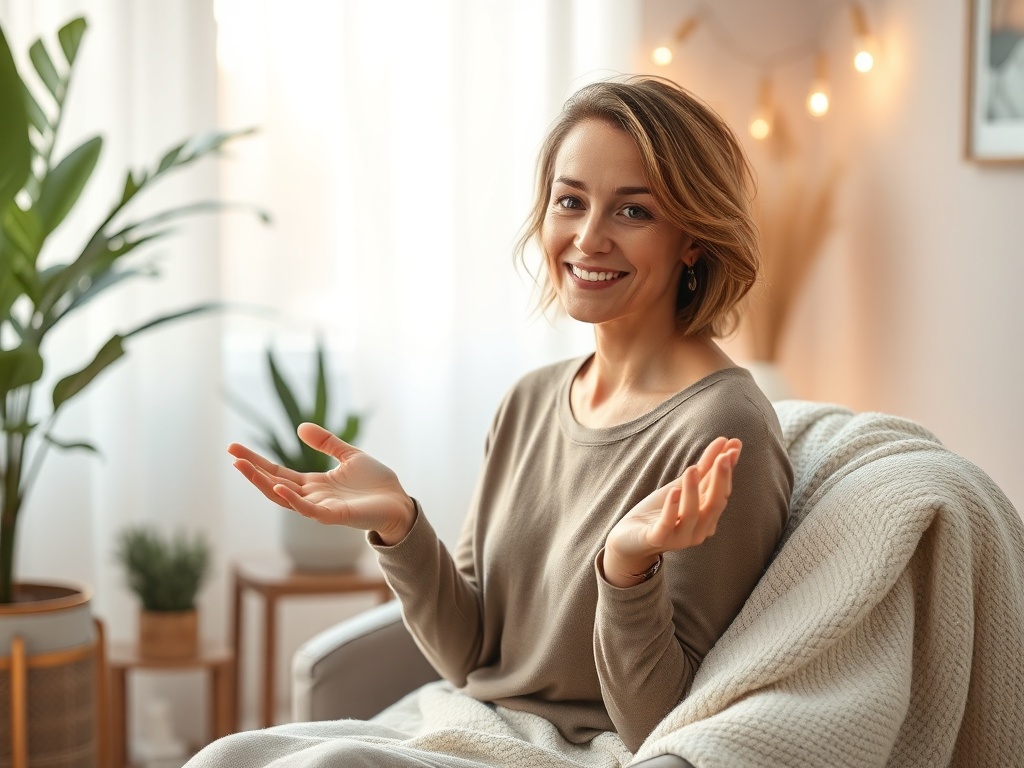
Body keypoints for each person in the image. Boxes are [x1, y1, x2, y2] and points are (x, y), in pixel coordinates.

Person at [187, 74, 793, 767]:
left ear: (692, 238)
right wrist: (400, 526)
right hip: (472, 724)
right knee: (224, 757)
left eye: (634, 212)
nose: (588, 239)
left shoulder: (723, 428)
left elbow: (667, 718)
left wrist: (626, 570)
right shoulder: (530, 401)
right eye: (570, 202)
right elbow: (470, 656)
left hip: (592, 752)